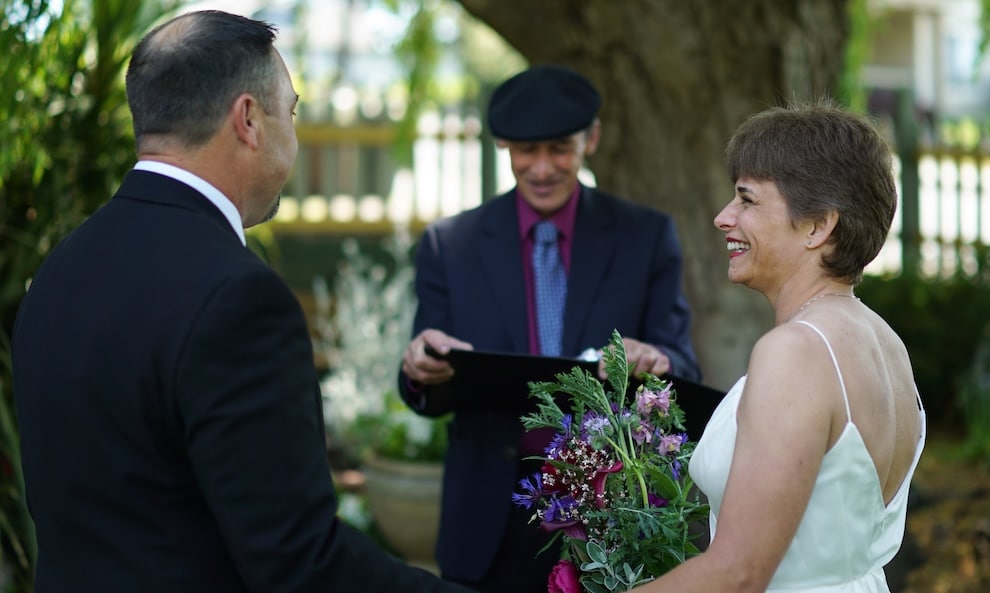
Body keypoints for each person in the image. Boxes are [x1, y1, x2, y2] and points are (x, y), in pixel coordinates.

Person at [11, 10, 478, 593]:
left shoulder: (61, 268)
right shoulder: (239, 297)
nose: (295, 132)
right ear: (250, 119)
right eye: (293, 110)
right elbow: (301, 565)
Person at [398, 64, 701, 592]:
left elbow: (683, 365)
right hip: (487, 519)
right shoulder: (451, 245)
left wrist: (657, 362)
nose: (540, 168)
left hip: (613, 518)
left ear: (592, 139)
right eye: (524, 151)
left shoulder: (645, 237)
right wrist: (421, 366)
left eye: (558, 149)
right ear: (503, 146)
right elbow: (429, 378)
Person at [631, 100, 926, 593]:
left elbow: (738, 574)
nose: (724, 217)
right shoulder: (886, 342)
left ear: (818, 226)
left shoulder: (795, 352)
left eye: (747, 200)